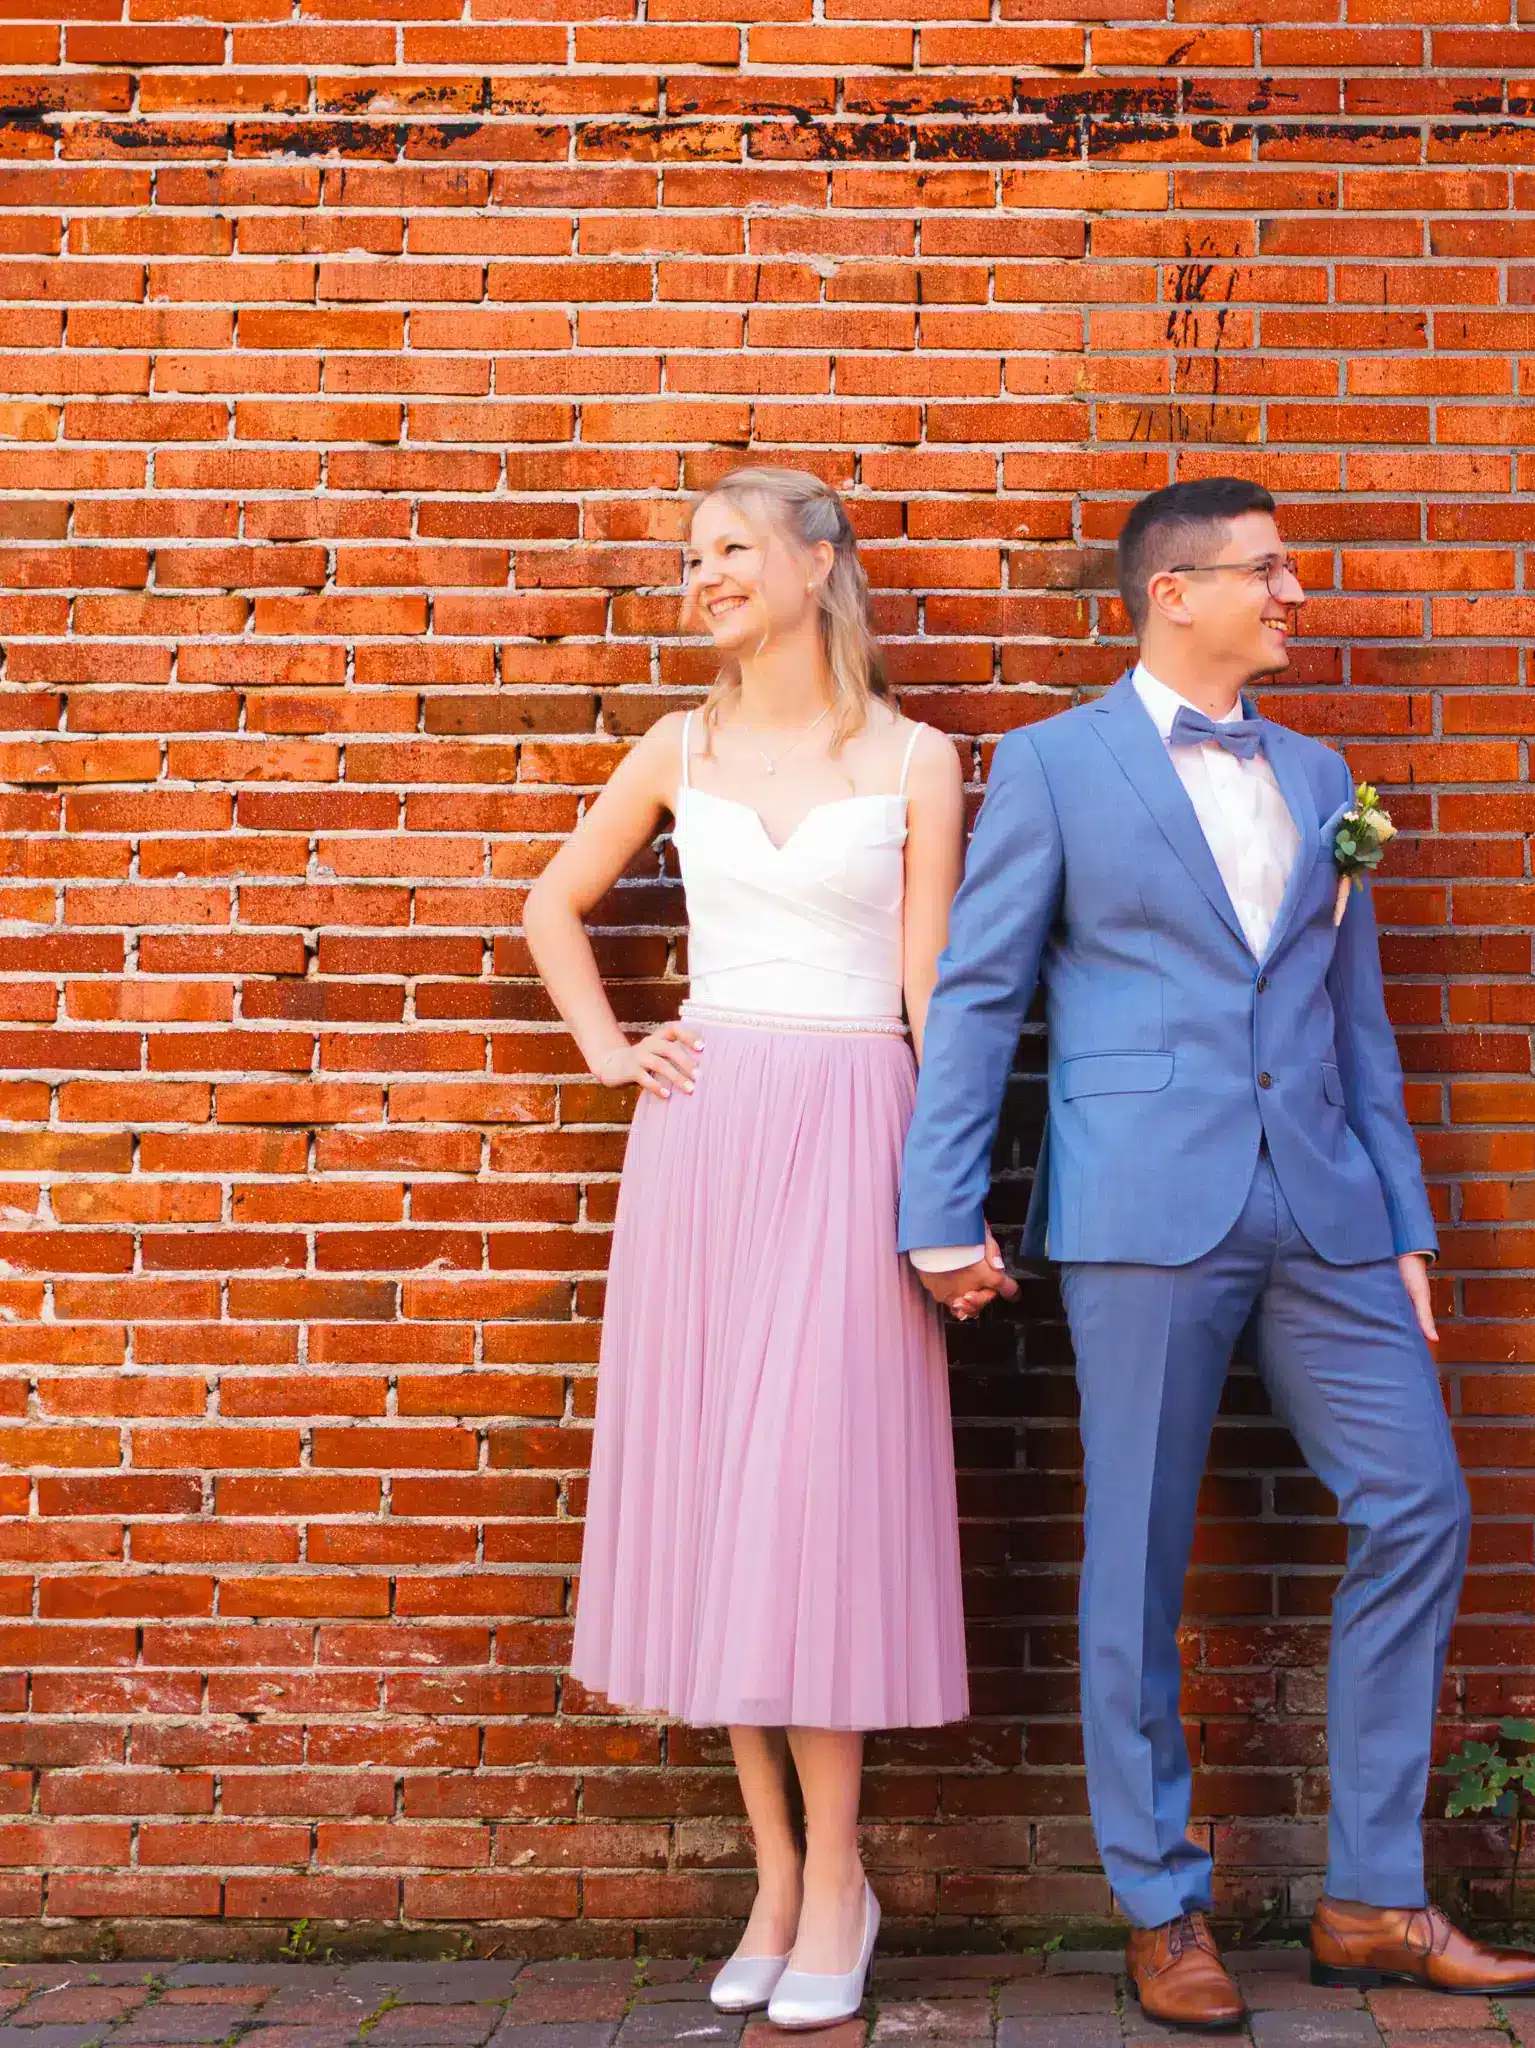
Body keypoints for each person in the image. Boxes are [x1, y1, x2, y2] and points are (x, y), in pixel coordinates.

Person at [898, 477, 1535, 2025]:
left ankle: (1375, 1897)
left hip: (1325, 1209)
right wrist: (942, 1204)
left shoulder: (1323, 769)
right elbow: (983, 993)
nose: (1295, 595)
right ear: (1173, 593)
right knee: (1135, 1551)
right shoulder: (1058, 769)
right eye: (1270, 572)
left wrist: (1403, 1222)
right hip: (1142, 1201)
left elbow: (1355, 1022)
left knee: (1421, 1507)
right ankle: (1160, 1905)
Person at [523, 465, 975, 2032]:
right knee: (727, 1503)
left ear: (815, 562)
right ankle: (774, 1879)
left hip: (855, 1123)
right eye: (691, 557)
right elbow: (552, 907)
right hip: (705, 1142)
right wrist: (609, 1050)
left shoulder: (920, 758)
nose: (702, 575)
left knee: (812, 1503)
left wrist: (948, 1195)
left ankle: (840, 1879)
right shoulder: (677, 745)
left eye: (727, 550)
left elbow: (935, 997)